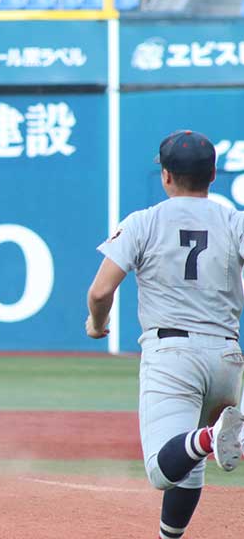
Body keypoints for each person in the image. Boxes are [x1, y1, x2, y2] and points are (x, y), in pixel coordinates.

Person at [86, 130, 244, 539]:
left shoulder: (145, 221)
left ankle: (212, 435)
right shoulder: (235, 221)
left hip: (171, 354)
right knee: (188, 473)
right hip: (227, 356)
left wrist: (97, 324)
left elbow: (101, 290)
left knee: (162, 469)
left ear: (166, 176)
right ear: (213, 174)